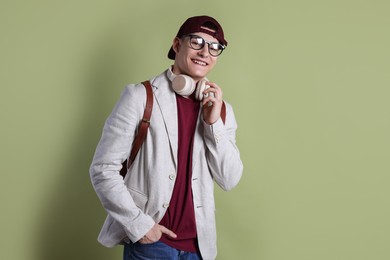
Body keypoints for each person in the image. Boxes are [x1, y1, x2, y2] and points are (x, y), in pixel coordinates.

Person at [89, 15, 243, 260]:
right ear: (176, 44)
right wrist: (140, 226)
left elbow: (229, 179)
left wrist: (213, 124)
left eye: (215, 47)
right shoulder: (140, 97)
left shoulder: (222, 110)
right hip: (151, 244)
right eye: (196, 42)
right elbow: (103, 168)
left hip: (199, 248)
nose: (205, 52)